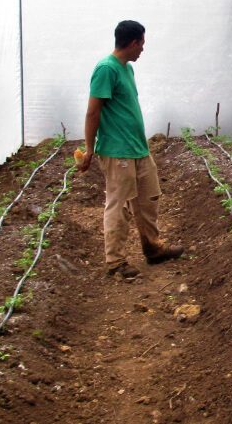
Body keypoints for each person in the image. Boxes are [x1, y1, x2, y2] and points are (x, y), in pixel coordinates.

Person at [76, 20, 183, 278]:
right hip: (117, 150)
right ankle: (115, 261)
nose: (143, 50)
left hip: (138, 148)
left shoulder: (127, 69)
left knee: (148, 199)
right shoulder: (106, 69)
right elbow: (93, 112)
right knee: (119, 204)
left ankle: (152, 248)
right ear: (134, 42)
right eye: (142, 44)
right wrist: (90, 148)